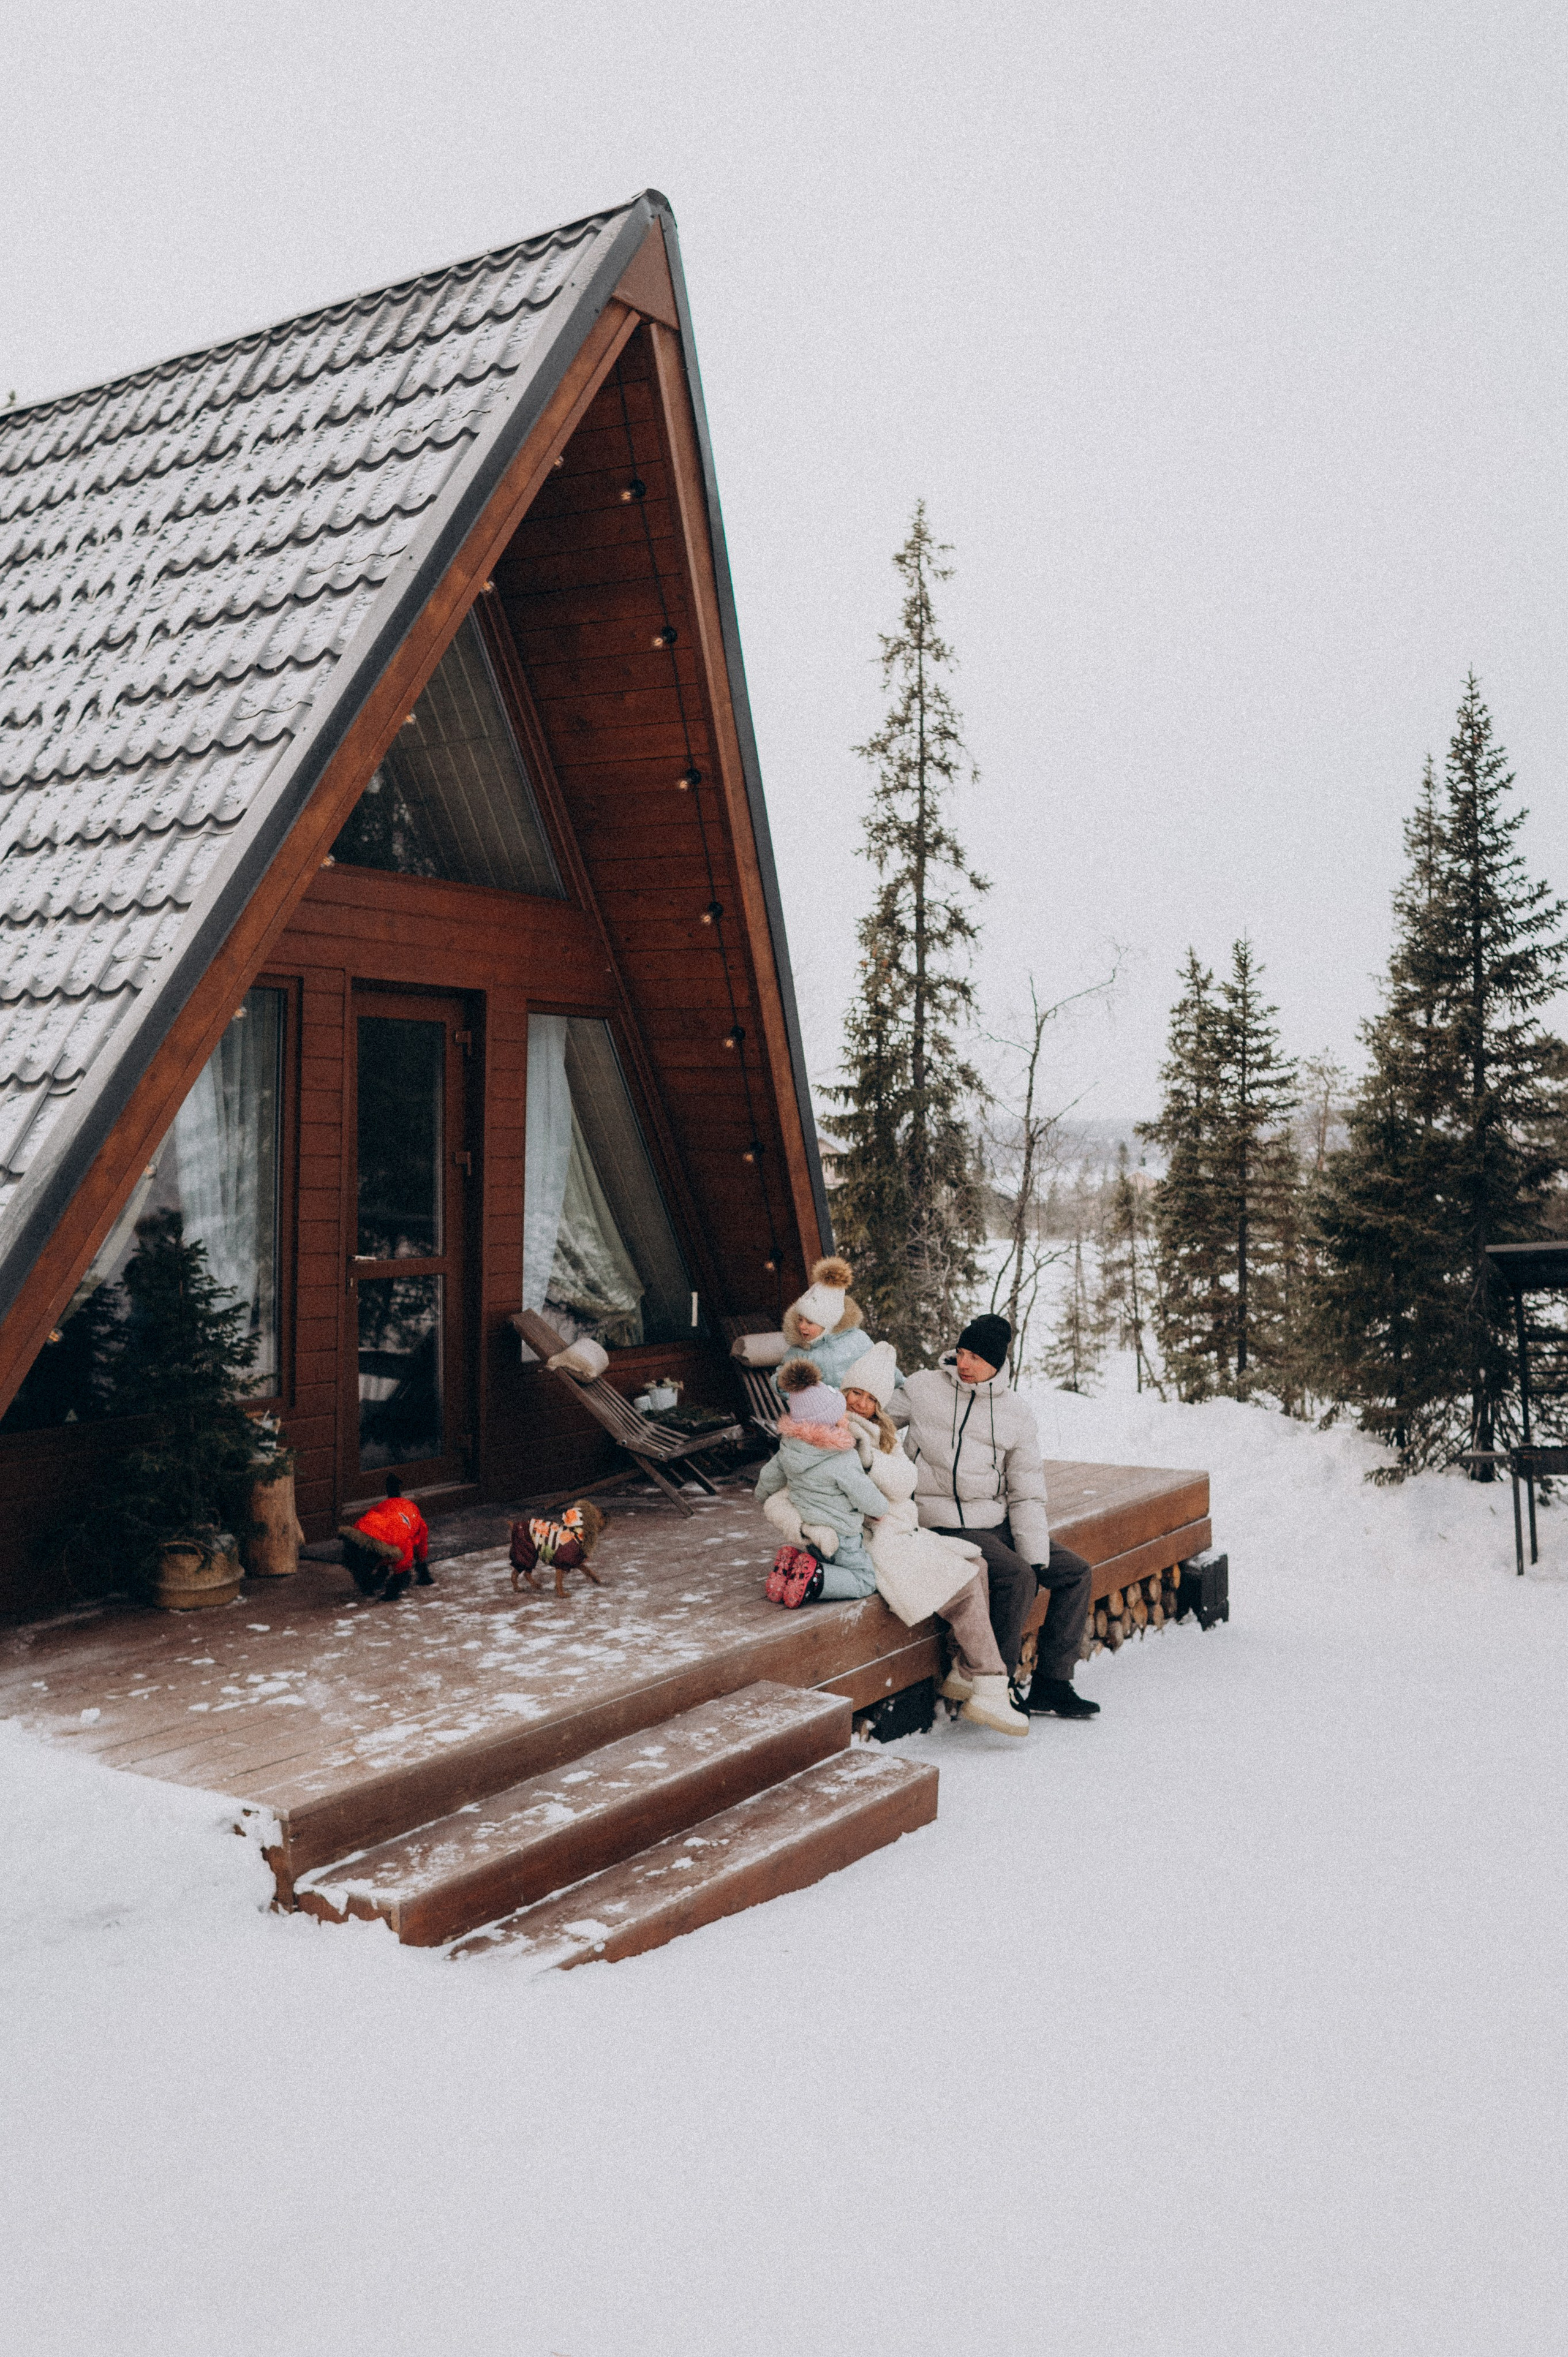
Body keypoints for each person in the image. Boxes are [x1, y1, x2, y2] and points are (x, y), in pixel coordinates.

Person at [897, 1313, 1099, 1719]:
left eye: (974, 1357)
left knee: (1074, 1572)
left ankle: (1053, 1683)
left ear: (997, 1363)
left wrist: (1036, 1553)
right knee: (1016, 1575)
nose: (964, 1364)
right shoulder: (922, 1389)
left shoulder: (1015, 1413)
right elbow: (867, 1412)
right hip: (939, 1518)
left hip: (994, 1519)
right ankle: (997, 1683)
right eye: (961, 1353)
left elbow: (1026, 1491)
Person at [839, 1342, 1025, 1737]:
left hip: (899, 1525)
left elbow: (903, 1481)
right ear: (841, 1392)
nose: (859, 1403)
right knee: (958, 1580)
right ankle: (991, 1682)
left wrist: (878, 1466)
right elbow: (859, 1492)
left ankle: (964, 1670)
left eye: (870, 1398)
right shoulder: (837, 1433)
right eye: (853, 1392)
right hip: (868, 1534)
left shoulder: (876, 1433)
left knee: (976, 1564)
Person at [753, 1365, 886, 1604]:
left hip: (811, 1528)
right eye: (840, 1414)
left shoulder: (788, 1448)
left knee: (822, 1560)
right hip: (841, 1534)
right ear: (831, 1420)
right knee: (864, 1580)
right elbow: (863, 1493)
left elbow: (769, 1477)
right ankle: (816, 1578)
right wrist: (879, 1510)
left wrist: (762, 1494)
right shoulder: (841, 1457)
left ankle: (794, 1566)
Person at [771, 1256, 900, 1395]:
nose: (802, 1326)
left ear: (828, 1323)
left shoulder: (857, 1339)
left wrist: (902, 1383)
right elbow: (782, 1380)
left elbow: (881, 1365)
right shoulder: (800, 1352)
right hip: (825, 1411)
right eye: (800, 1320)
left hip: (860, 1404)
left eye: (810, 1322)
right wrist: (784, 1386)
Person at [338, 1475, 432, 1602]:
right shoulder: (361, 1530)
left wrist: (392, 1591)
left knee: (416, 1554)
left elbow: (403, 1567)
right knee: (373, 1560)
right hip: (385, 1514)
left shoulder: (400, 1543)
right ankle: (379, 1575)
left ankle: (423, 1571)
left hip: (407, 1513)